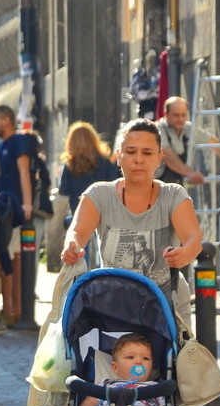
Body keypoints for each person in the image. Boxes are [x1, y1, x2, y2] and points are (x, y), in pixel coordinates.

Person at [60, 118, 203, 326]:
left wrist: (185, 253)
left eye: (147, 153)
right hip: (112, 306)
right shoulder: (99, 194)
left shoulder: (174, 195)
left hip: (165, 305)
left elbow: (193, 238)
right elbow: (77, 232)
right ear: (118, 156)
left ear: (159, 157)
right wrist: (72, 246)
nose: (138, 159)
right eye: (130, 151)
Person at [0, 105, 35, 327]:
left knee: (15, 259)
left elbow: (24, 170)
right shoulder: (0, 146)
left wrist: (26, 202)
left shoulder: (18, 142)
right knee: (4, 258)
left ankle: (14, 309)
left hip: (14, 210)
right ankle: (8, 307)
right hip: (3, 207)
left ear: (6, 121)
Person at [155, 96, 220, 186]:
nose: (180, 119)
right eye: (176, 115)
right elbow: (167, 155)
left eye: (183, 115)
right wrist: (190, 173)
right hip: (157, 183)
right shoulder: (158, 129)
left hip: (178, 183)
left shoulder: (189, 128)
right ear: (166, 114)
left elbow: (215, 144)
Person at [58, 121, 120, 216]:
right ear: (94, 139)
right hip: (103, 214)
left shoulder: (70, 165)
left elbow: (63, 191)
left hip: (79, 215)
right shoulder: (105, 162)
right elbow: (115, 186)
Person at [129, 50, 160, 118]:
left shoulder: (159, 73)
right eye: (149, 59)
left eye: (153, 58)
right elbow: (134, 92)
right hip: (145, 107)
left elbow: (159, 89)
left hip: (158, 106)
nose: (151, 61)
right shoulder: (139, 74)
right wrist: (150, 88)